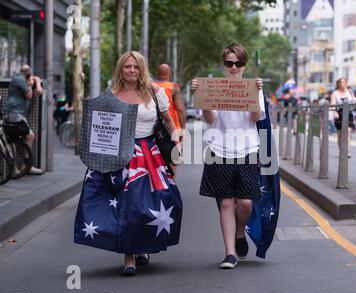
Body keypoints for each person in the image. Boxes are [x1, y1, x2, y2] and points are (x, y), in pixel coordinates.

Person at [74, 51, 183, 276]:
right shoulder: (110, 95)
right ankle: (130, 257)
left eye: (135, 67)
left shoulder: (155, 93)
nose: (131, 70)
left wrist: (177, 146)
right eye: (127, 67)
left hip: (150, 154)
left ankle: (142, 245)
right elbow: (99, 128)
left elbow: (169, 122)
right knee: (128, 203)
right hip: (119, 155)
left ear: (141, 69)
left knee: (152, 204)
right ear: (121, 70)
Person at [191, 42, 266, 269]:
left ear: (244, 66)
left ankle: (240, 231)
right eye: (229, 63)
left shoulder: (254, 87)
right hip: (219, 149)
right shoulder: (214, 87)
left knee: (245, 204)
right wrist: (200, 95)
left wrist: (256, 93)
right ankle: (230, 253)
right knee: (225, 203)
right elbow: (211, 119)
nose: (234, 67)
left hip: (247, 149)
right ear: (224, 65)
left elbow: (255, 119)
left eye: (238, 63)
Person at [3, 64, 43, 174]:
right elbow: (29, 95)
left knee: (14, 140)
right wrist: (31, 84)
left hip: (15, 114)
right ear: (27, 73)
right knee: (29, 136)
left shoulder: (19, 78)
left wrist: (37, 81)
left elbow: (36, 82)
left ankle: (17, 168)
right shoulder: (20, 79)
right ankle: (26, 165)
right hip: (15, 115)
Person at [154, 64, 186, 174]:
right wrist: (182, 129)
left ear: (157, 73)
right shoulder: (174, 88)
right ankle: (169, 184)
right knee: (172, 159)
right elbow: (181, 109)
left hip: (155, 128)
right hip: (172, 128)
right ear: (169, 74)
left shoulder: (151, 87)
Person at [331, 77, 356, 157]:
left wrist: (353, 95)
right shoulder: (335, 93)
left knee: (348, 132)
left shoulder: (349, 91)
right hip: (340, 114)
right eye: (342, 82)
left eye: (345, 81)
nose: (344, 83)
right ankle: (341, 151)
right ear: (338, 84)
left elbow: (354, 102)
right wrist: (334, 112)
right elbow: (332, 104)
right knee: (340, 134)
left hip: (349, 113)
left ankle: (347, 152)